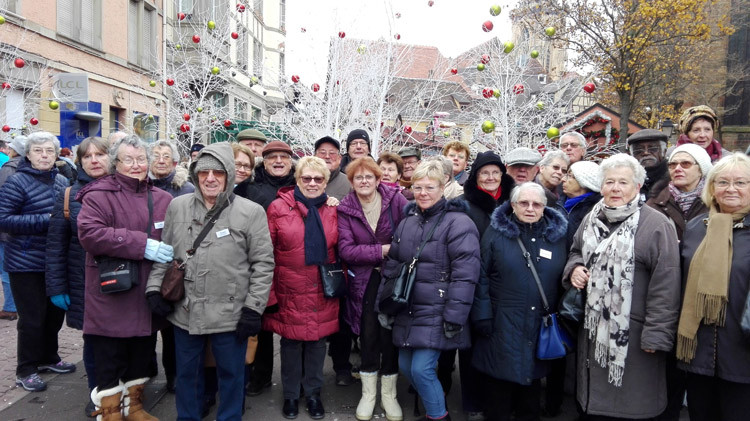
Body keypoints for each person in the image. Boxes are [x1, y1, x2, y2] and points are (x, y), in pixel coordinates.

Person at [145, 142, 275, 420]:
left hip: (231, 313)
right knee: (187, 376)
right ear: (195, 175)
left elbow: (263, 264)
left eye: (218, 172)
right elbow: (166, 252)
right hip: (185, 310)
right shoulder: (177, 207)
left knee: (231, 376)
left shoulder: (251, 212)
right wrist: (154, 288)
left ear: (229, 174)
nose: (211, 178)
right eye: (203, 173)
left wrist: (254, 308)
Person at [565, 153, 681, 420]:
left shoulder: (656, 224)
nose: (615, 188)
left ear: (637, 187)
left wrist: (657, 334)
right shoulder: (591, 219)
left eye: (623, 182)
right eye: (609, 182)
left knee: (630, 404)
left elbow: (667, 284)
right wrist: (575, 269)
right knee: (595, 406)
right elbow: (575, 252)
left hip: (635, 335)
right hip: (593, 330)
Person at [77, 135, 173, 420]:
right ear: (115, 163)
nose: (136, 165)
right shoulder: (98, 194)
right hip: (112, 290)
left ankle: (135, 408)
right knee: (109, 355)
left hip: (147, 289)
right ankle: (110, 412)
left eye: (141, 159)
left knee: (141, 351)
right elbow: (91, 235)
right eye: (128, 160)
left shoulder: (162, 198)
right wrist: (142, 244)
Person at [378, 160, 480, 421]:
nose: (423, 193)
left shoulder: (459, 223)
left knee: (422, 369)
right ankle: (435, 410)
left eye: (430, 187)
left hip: (437, 308)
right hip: (407, 306)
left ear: (443, 186)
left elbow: (465, 275)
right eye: (418, 187)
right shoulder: (407, 222)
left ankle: (438, 415)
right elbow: (393, 265)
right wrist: (385, 304)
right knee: (405, 366)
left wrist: (455, 316)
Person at [471, 182, 568, 420]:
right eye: (524, 203)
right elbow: (480, 275)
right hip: (501, 324)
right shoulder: (496, 233)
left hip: (537, 325)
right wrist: (482, 314)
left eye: (537, 204)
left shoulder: (555, 237)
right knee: (499, 394)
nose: (530, 208)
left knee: (531, 392)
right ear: (513, 205)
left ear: (545, 207)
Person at [264, 156, 340, 420]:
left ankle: (314, 393)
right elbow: (266, 253)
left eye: (318, 179)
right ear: (297, 180)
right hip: (289, 289)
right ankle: (291, 396)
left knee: (318, 344)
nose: (312, 183)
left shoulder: (333, 209)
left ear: (325, 182)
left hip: (321, 288)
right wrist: (270, 294)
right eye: (306, 178)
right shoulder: (277, 207)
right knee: (291, 344)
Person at [676, 153, 750, 421]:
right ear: (712, 189)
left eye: (741, 182)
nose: (731, 189)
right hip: (698, 356)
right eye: (723, 182)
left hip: (743, 357)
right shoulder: (697, 227)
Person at [0, 131, 72, 392]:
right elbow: (4, 219)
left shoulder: (62, 181)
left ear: (56, 155)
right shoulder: (16, 182)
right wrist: (46, 220)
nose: (44, 155)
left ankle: (48, 358)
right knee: (32, 319)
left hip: (54, 260)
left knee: (54, 315)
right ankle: (26, 369)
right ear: (28, 155)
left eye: (49, 151)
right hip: (24, 261)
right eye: (38, 150)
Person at [337, 157, 408, 421]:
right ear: (352, 182)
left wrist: (388, 252)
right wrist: (382, 250)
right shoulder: (346, 208)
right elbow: (346, 250)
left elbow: (408, 235)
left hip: (393, 278)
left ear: (379, 179)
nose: (364, 181)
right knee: (368, 334)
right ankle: (368, 393)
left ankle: (389, 394)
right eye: (358, 178)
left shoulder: (396, 201)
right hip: (364, 280)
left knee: (389, 334)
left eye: (369, 177)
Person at [45, 136, 111, 415]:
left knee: (125, 340)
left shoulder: (126, 189)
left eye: (100, 154)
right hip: (83, 280)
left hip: (122, 279)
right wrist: (57, 286)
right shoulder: (69, 195)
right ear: (80, 161)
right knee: (94, 341)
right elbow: (56, 245)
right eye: (87, 156)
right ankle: (98, 395)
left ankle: (127, 390)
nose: (94, 160)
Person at [235, 140, 297, 397]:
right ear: (264, 160)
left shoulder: (301, 183)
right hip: (258, 265)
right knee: (259, 323)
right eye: (273, 157)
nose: (279, 161)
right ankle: (259, 376)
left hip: (291, 265)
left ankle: (296, 382)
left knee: (291, 324)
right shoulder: (248, 187)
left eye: (284, 157)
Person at [647, 143, 712, 242]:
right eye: (672, 165)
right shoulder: (654, 204)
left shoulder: (716, 202)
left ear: (700, 170)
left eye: (685, 164)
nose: (677, 169)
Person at [0, 135, 26, 321]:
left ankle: (10, 307)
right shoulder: (30, 168)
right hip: (23, 227)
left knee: (6, 268)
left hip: (7, 228)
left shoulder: (8, 168)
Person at [460, 151, 515, 236]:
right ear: (476, 176)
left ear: (501, 175)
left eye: (495, 172)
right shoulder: (461, 205)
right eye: (485, 173)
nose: (491, 178)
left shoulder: (515, 202)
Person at [562, 161, 602, 246]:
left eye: (570, 176)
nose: (563, 179)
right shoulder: (559, 203)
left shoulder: (596, 211)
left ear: (584, 182)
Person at [627, 129, 670, 199]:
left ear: (664, 152)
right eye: (638, 150)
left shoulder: (674, 178)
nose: (646, 153)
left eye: (653, 149)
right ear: (632, 155)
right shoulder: (626, 179)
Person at [315, 136, 352, 200]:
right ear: (314, 157)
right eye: (322, 153)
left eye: (332, 153)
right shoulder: (304, 180)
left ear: (339, 158)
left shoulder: (349, 184)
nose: (327, 156)